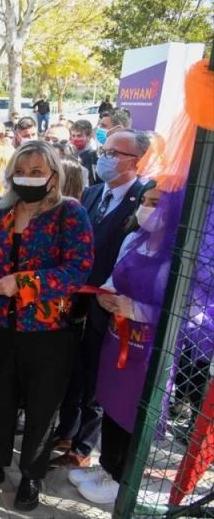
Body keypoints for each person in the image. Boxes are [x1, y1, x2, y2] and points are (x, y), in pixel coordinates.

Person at [0, 140, 94, 512]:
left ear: (53, 176)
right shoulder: (1, 210)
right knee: (0, 398)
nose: (27, 179)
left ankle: (31, 475)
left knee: (43, 408)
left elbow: (77, 269)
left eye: (37, 172)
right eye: (21, 172)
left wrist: (25, 283)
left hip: (49, 332)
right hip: (0, 325)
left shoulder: (69, 213)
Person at [71, 182, 180, 504]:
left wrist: (138, 310)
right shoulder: (134, 240)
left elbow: (183, 308)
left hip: (149, 348)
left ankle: (122, 477)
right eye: (144, 201)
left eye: (155, 202)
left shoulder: (178, 254)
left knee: (134, 411)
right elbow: (113, 278)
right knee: (111, 404)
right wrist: (106, 295)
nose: (146, 208)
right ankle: (107, 465)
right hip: (118, 337)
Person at [52, 130, 148, 469]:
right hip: (74, 300)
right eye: (104, 150)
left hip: (108, 305)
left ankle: (83, 448)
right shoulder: (92, 193)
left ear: (136, 161)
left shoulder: (143, 201)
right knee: (72, 370)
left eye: (114, 152)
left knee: (95, 378)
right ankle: (64, 431)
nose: (105, 157)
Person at [70, 119, 99, 186]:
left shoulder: (93, 156)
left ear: (88, 137)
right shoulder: (70, 152)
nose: (75, 139)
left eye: (79, 136)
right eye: (73, 136)